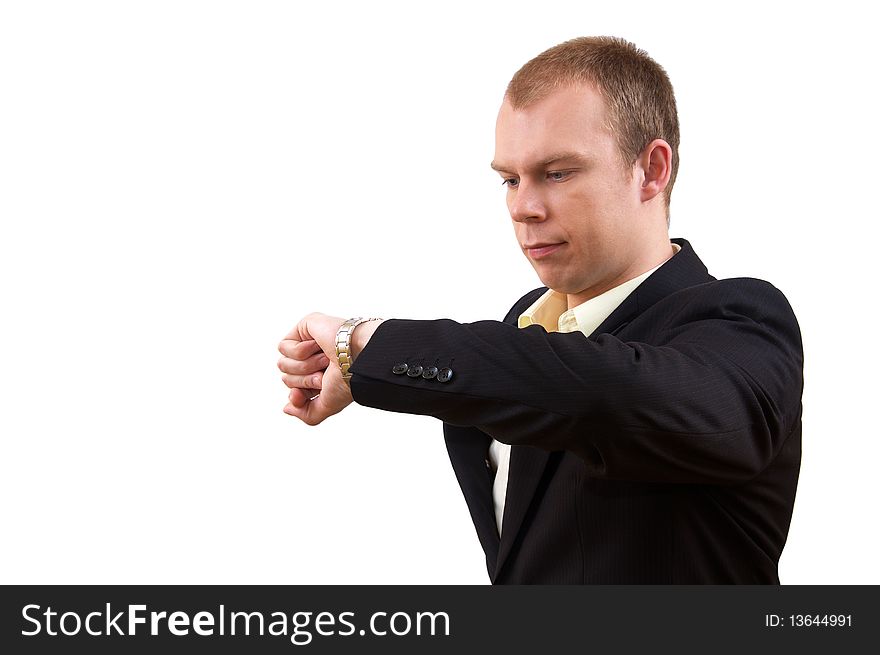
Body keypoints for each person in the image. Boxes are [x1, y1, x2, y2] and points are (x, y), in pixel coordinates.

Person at [277, 36, 803, 584]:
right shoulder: (523, 327)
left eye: (557, 173)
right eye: (509, 179)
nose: (522, 208)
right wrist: (362, 365)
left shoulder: (742, 321)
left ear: (651, 170)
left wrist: (367, 344)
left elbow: (603, 392)